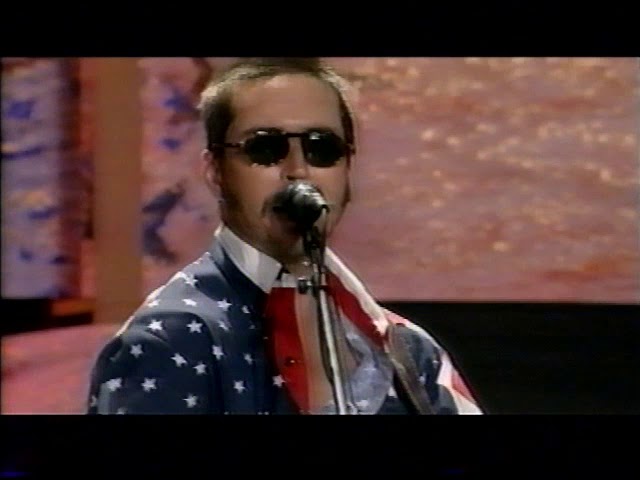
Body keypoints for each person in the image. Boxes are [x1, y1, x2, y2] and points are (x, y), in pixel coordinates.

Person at [86, 57, 482, 415]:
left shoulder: (406, 350)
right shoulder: (171, 340)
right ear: (216, 172)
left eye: (321, 148)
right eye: (265, 148)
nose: (298, 171)